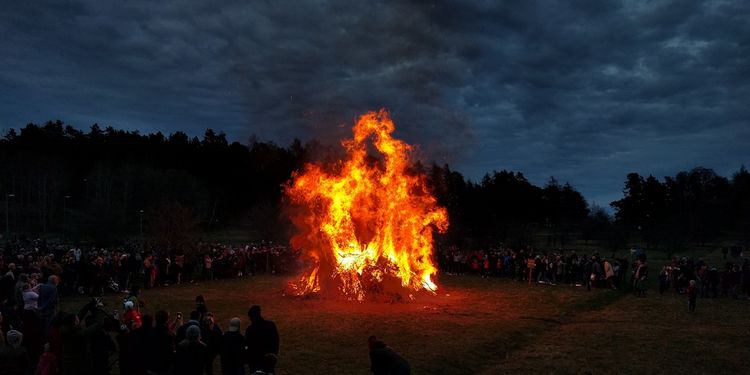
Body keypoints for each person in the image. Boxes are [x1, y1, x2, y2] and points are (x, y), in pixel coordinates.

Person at [245, 305, 279, 372]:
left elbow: (248, 345)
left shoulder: (250, 330)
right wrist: (274, 354)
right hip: (269, 359)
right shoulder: (270, 325)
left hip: (255, 360)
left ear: (252, 317)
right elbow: (276, 341)